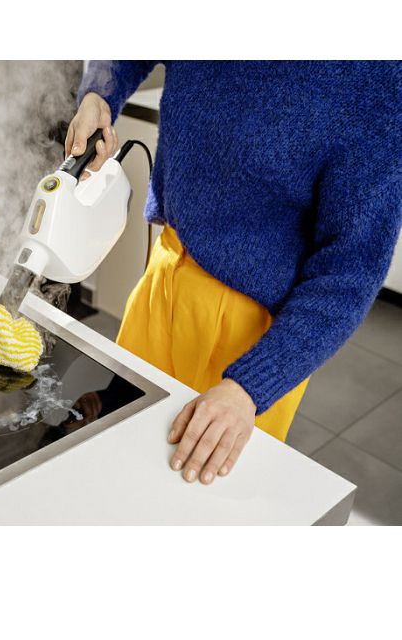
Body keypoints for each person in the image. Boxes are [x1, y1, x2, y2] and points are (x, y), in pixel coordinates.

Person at [65, 61, 402, 485]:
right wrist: (100, 93)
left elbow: (349, 273)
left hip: (247, 338)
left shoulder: (377, 82)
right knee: (114, 457)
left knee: (189, 496)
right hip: (166, 272)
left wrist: (250, 387)